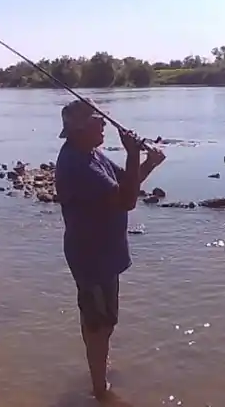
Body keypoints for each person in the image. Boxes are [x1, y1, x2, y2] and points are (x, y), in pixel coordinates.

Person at [53, 99, 166, 400]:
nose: (104, 123)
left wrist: (148, 163)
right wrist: (132, 153)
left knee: (105, 320)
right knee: (97, 322)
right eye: (97, 119)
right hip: (90, 255)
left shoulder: (92, 154)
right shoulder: (76, 164)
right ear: (78, 129)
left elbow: (127, 184)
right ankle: (99, 389)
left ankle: (98, 370)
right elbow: (126, 200)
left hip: (106, 252)